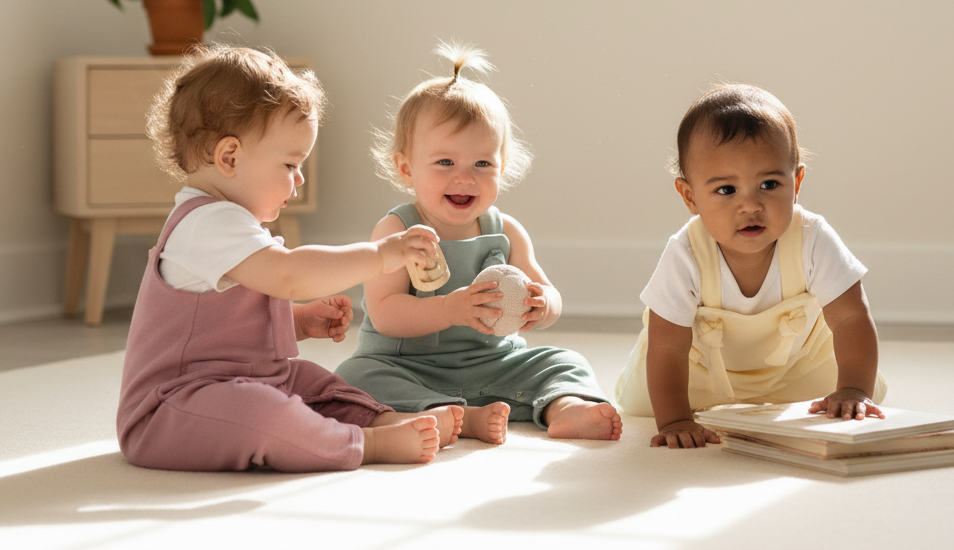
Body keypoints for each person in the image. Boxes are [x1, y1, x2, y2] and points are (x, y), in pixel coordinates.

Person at [117, 45, 462, 474]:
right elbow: (289, 275)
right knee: (262, 411)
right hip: (169, 410)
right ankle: (364, 443)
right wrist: (380, 255)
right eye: (290, 163)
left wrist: (296, 321)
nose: (299, 179)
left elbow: (231, 324)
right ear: (229, 157)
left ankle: (385, 419)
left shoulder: (232, 224)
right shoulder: (204, 223)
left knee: (311, 382)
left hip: (242, 380)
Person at [335, 43, 622, 444]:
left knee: (565, 361)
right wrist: (450, 308)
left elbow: (547, 290)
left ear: (502, 167)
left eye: (482, 164)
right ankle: (453, 415)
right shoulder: (396, 232)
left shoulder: (505, 230)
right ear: (406, 169)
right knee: (353, 379)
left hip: (495, 362)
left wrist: (543, 305)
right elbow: (384, 315)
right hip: (408, 365)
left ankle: (567, 407)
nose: (465, 177)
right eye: (445, 163)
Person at [615, 83, 887, 449]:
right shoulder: (686, 253)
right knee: (642, 400)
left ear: (797, 182)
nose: (750, 205)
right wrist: (676, 419)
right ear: (690, 197)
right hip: (697, 370)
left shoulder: (812, 237)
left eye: (769, 184)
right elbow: (669, 348)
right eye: (726, 190)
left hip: (794, 364)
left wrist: (854, 387)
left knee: (845, 396)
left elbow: (851, 318)